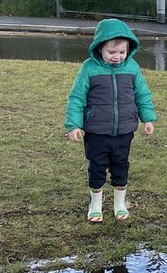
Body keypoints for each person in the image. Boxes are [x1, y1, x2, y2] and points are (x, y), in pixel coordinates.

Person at [64, 17, 156, 223]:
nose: (117, 57)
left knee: (120, 166)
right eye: (111, 52)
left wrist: (148, 119)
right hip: (97, 131)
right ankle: (95, 205)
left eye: (122, 52)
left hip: (124, 130)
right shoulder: (89, 68)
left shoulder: (132, 68)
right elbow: (77, 97)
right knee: (97, 167)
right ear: (99, 49)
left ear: (128, 49)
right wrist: (73, 124)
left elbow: (142, 95)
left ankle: (119, 204)